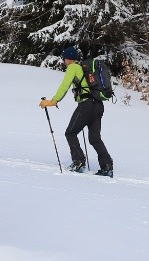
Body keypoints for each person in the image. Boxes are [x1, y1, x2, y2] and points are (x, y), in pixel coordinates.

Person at [40, 46, 114, 177]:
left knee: (70, 132)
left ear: (67, 59)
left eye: (64, 59)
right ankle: (107, 166)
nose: (63, 62)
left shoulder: (73, 67)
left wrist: (53, 101)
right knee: (95, 138)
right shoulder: (83, 68)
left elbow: (65, 85)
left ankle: (78, 161)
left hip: (86, 105)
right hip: (98, 105)